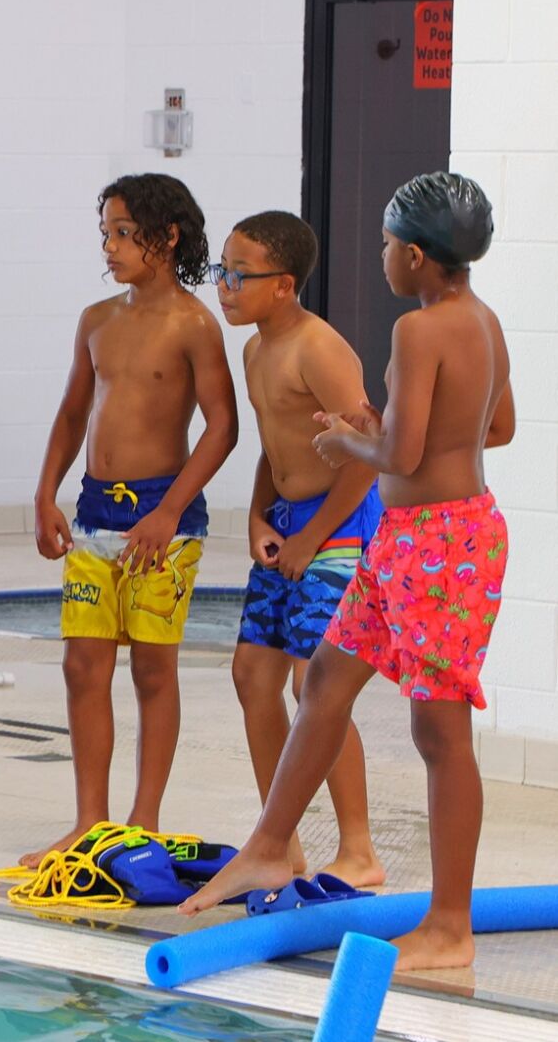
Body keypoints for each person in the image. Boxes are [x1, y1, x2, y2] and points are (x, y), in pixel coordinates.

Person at [182, 174, 514, 974]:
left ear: (413, 252)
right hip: (416, 536)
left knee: (439, 733)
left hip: (441, 545)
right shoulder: (484, 321)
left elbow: (398, 456)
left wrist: (348, 442)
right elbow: (495, 426)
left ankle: (448, 923)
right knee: (325, 679)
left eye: (384, 245)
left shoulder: (419, 329)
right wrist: (384, 429)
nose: (380, 259)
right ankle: (268, 845)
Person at [27, 174, 239, 868]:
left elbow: (222, 427)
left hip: (163, 520)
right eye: (105, 233)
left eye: (123, 232)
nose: (109, 247)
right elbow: (69, 414)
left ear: (166, 236)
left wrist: (170, 508)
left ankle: (141, 820)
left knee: (151, 669)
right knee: (82, 665)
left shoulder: (194, 324)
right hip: (92, 509)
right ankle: (91, 823)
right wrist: (43, 493)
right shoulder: (96, 319)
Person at [215, 211, 385, 888]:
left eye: (237, 275)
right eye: (220, 271)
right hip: (287, 522)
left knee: (314, 683)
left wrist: (313, 536)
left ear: (282, 284)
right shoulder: (256, 348)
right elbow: (276, 448)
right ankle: (275, 841)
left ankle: (359, 847)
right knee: (252, 674)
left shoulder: (319, 348)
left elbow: (367, 456)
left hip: (338, 526)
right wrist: (260, 516)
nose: (223, 287)